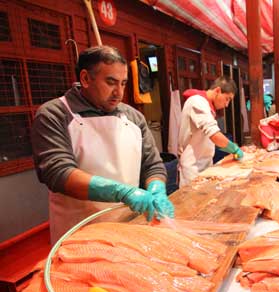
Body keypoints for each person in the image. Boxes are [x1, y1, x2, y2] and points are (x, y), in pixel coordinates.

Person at [31, 45, 174, 244]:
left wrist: (157, 187)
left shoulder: (134, 117)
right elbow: (58, 172)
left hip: (128, 225)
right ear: (85, 78)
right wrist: (123, 192)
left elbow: (152, 165)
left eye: (123, 83)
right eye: (111, 82)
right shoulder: (54, 114)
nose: (119, 92)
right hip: (79, 233)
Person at [178, 76, 243, 187]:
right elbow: (213, 134)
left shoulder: (206, 105)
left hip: (205, 165)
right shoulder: (197, 102)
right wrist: (234, 148)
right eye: (227, 99)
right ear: (217, 91)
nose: (227, 105)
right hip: (193, 169)